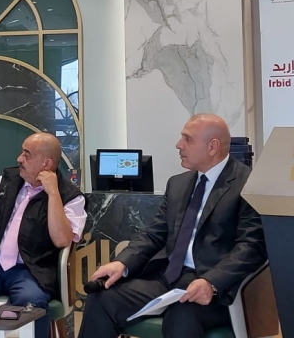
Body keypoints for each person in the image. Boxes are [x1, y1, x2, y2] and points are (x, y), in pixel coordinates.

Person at [78, 114, 267, 338]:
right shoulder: (178, 183)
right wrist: (122, 262)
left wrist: (211, 282)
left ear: (212, 146)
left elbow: (250, 247)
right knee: (102, 298)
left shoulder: (248, 184)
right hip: (168, 276)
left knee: (182, 313)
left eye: (188, 139)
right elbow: (154, 234)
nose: (179, 145)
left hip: (215, 284)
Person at [0, 132, 86, 338]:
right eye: (21, 152)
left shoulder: (70, 196)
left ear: (46, 163)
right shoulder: (7, 181)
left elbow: (62, 239)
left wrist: (53, 193)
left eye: (27, 154)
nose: (19, 159)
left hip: (31, 270)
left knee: (32, 302)